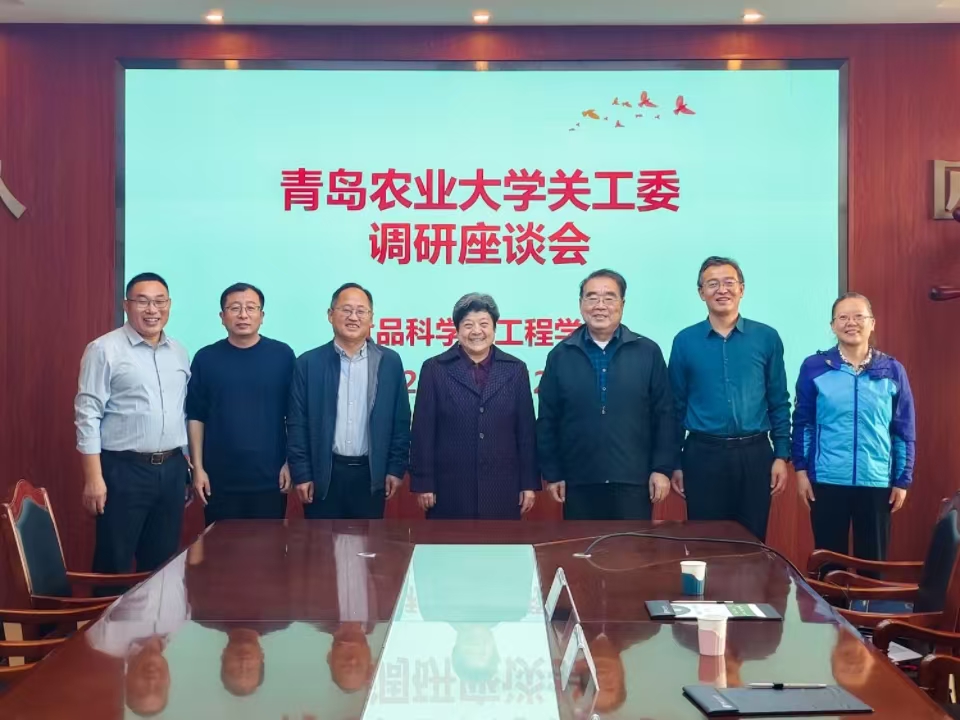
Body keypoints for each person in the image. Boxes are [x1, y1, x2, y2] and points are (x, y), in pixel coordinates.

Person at [75, 272, 191, 578]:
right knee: (114, 563)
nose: (152, 309)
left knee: (162, 566)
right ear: (126, 305)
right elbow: (87, 415)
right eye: (143, 301)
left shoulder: (179, 351)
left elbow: (181, 411)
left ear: (169, 305)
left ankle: (156, 614)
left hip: (172, 470)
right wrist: (94, 478)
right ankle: (107, 613)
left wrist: (187, 464)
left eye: (159, 301)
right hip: (123, 471)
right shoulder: (104, 350)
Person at [668, 256, 791, 542]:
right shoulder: (684, 341)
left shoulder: (766, 337)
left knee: (752, 543)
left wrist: (781, 455)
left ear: (742, 289)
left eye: (728, 282)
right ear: (701, 292)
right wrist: (674, 461)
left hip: (755, 454)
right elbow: (675, 407)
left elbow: (778, 400)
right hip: (702, 454)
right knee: (706, 544)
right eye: (712, 284)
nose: (721, 290)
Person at [536, 269, 674, 520]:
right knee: (581, 545)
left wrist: (662, 468)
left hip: (634, 480)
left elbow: (665, 415)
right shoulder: (561, 354)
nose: (600, 305)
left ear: (622, 304)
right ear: (581, 304)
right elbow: (548, 419)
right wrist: (553, 473)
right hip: (578, 481)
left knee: (632, 545)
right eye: (592, 297)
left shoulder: (647, 351)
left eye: (609, 298)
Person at [792, 292, 916, 564]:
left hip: (877, 482)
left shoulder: (892, 370)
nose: (851, 323)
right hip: (827, 480)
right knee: (829, 564)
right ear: (832, 325)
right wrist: (801, 472)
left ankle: (868, 596)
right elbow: (803, 424)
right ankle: (829, 595)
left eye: (859, 316)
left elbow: (903, 430)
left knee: (873, 564)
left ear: (872, 323)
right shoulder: (815, 367)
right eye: (843, 317)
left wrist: (902, 480)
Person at [287, 283, 410, 519]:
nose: (353, 317)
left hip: (370, 475)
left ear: (371, 318)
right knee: (320, 541)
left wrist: (396, 469)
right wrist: (301, 473)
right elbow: (297, 423)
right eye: (346, 310)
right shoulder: (308, 363)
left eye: (361, 311)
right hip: (324, 474)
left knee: (370, 541)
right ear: (330, 315)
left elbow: (400, 421)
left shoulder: (389, 362)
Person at [410, 293, 538, 519]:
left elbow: (526, 431)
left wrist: (528, 483)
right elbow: (423, 431)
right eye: (468, 325)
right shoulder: (435, 369)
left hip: (503, 487)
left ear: (494, 328)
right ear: (457, 330)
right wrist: (424, 482)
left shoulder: (515, 369)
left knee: (500, 542)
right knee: (448, 542)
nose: (476, 331)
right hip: (450, 488)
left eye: (484, 324)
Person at [186, 282, 296, 525]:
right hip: (218, 479)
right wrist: (198, 468)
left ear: (262, 316)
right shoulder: (206, 358)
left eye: (251, 308)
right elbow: (196, 416)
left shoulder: (283, 355)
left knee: (269, 546)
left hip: (271, 477)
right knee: (220, 546)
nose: (243, 315)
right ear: (222, 317)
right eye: (235, 308)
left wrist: (291, 462)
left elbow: (295, 416)